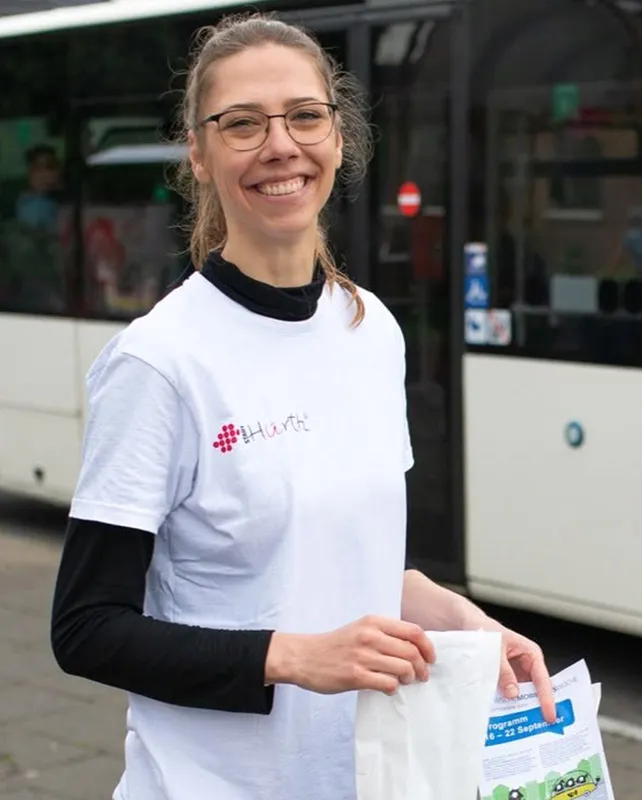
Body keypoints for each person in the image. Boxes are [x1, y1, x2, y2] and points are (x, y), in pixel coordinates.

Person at [50, 12, 556, 800]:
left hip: (367, 780)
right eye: (243, 124)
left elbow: (342, 560)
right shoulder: (161, 360)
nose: (280, 145)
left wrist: (461, 620)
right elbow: (86, 630)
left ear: (338, 136)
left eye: (304, 116)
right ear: (198, 150)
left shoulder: (370, 328)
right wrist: (291, 657)